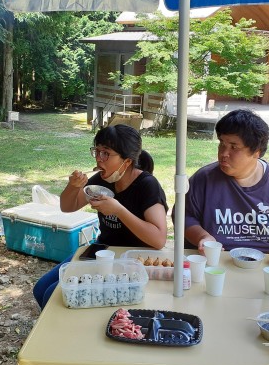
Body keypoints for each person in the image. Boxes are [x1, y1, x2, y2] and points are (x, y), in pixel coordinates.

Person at [180, 109, 269, 313]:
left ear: (257, 151)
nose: (224, 153)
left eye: (234, 147)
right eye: (221, 143)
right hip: (218, 263)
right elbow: (184, 217)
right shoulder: (204, 179)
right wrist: (202, 236)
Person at [33, 124, 168, 309]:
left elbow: (159, 239)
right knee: (40, 289)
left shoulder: (147, 185)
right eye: (96, 151)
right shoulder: (101, 180)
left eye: (106, 153)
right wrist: (73, 187)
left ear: (127, 161)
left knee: (51, 295)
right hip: (103, 249)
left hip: (132, 259)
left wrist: (119, 210)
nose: (98, 158)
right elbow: (68, 206)